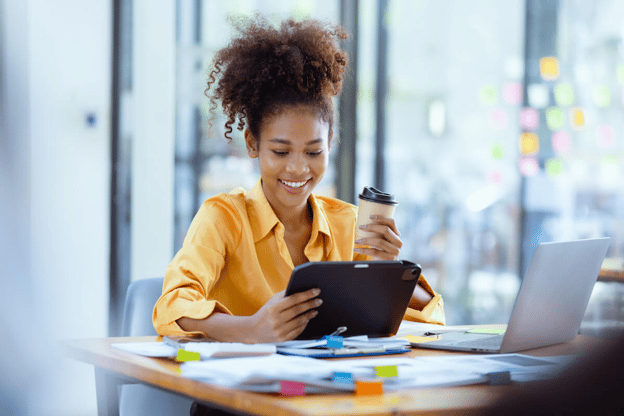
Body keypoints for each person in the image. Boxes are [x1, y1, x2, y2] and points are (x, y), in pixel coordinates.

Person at [153, 15, 445, 345]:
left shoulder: (348, 225)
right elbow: (172, 305)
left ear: (330, 143)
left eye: (312, 152)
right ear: (252, 144)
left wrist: (389, 274)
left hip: (330, 389)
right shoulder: (224, 218)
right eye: (280, 152)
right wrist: (250, 329)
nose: (297, 168)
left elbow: (431, 320)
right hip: (241, 392)